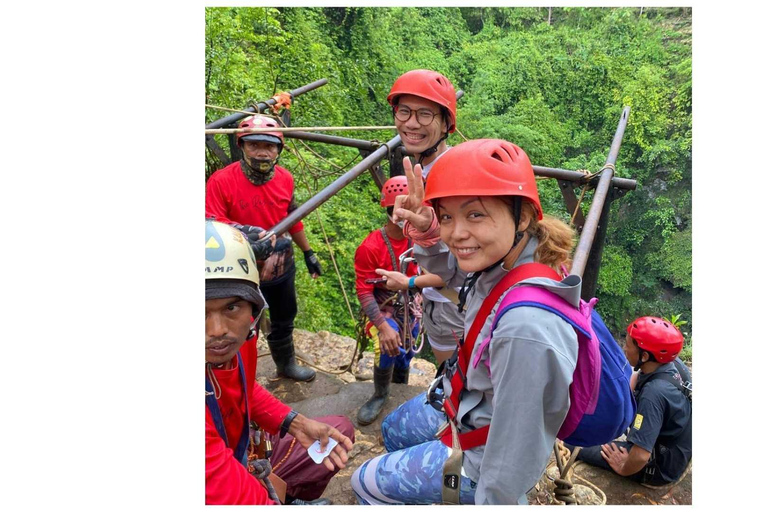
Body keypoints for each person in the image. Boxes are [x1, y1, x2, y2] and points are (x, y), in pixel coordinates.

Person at [351, 138, 579, 505]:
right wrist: (428, 231)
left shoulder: (527, 330)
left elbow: (515, 454)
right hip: (462, 400)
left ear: (521, 216)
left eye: (475, 214)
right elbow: (459, 274)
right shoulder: (508, 259)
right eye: (447, 216)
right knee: (393, 431)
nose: (456, 233)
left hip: (481, 457)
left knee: (363, 481)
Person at [205, 220, 354, 505]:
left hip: (238, 452)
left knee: (336, 434)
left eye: (232, 307)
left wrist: (295, 423)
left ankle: (288, 497)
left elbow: (244, 387)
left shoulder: (240, 339)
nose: (217, 330)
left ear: (253, 308)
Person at [206, 114, 322, 382]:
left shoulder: (285, 179)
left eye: (269, 146)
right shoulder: (221, 181)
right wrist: (246, 238)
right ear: (242, 146)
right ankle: (240, 377)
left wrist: (308, 252)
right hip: (237, 263)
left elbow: (292, 217)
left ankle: (285, 365)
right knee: (241, 321)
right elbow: (211, 224)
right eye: (253, 145)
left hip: (279, 259)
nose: (261, 153)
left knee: (283, 316)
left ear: (279, 150)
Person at [374, 69, 465, 366]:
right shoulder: (424, 171)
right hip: (445, 301)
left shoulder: (451, 177)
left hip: (454, 306)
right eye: (404, 111)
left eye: (425, 114)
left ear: (446, 123)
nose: (411, 123)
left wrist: (427, 234)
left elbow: (458, 266)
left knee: (455, 383)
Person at [568, 316, 692, 486]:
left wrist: (623, 467)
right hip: (677, 448)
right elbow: (638, 375)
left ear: (645, 355)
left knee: (574, 444)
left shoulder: (653, 395)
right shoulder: (671, 364)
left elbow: (641, 455)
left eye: (628, 345)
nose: (624, 348)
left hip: (660, 467)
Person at [354, 176, 421, 425]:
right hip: (385, 307)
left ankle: (400, 387)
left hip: (411, 306)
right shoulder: (371, 247)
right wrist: (382, 326)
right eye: (404, 209)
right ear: (392, 211)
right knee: (387, 345)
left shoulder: (421, 241)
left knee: (405, 352)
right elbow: (364, 290)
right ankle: (380, 394)